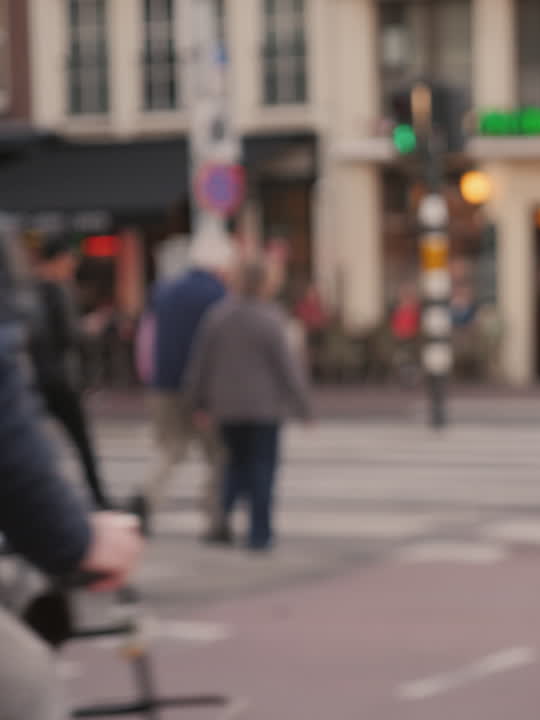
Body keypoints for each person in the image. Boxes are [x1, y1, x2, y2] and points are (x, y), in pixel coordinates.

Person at [0, 235, 143, 720]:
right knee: (23, 683)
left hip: (44, 390)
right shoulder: (51, 291)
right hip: (55, 385)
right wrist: (74, 538)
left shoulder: (38, 287)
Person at [185, 262, 311, 552]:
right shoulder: (270, 318)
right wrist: (302, 406)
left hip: (226, 407)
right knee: (262, 469)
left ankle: (222, 521)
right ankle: (259, 533)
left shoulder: (218, 315)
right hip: (264, 407)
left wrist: (198, 402)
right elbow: (287, 367)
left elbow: (201, 363)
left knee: (234, 465)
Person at [137, 239, 232, 540]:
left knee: (169, 448)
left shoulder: (163, 291)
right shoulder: (219, 295)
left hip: (163, 384)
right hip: (202, 388)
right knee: (218, 455)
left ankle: (146, 499)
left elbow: (148, 335)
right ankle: (215, 517)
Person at [27, 234, 111, 508]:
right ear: (59, 259)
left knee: (35, 443)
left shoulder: (27, 288)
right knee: (80, 443)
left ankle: (38, 501)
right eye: (69, 259)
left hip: (35, 379)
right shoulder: (58, 290)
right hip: (60, 380)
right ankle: (98, 499)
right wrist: (88, 328)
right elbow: (67, 336)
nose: (72, 265)